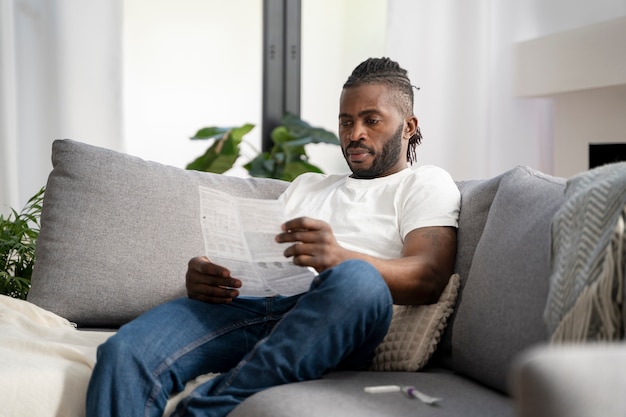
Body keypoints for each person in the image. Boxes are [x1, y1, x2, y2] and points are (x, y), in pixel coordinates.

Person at [86, 57, 460, 417]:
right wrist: (207, 273)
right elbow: (263, 254)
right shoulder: (308, 185)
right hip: (253, 306)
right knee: (124, 352)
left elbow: (428, 277)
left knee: (359, 280)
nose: (355, 134)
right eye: (346, 122)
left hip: (331, 318)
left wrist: (338, 257)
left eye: (371, 120)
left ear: (408, 126)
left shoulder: (425, 183)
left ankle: (205, 410)